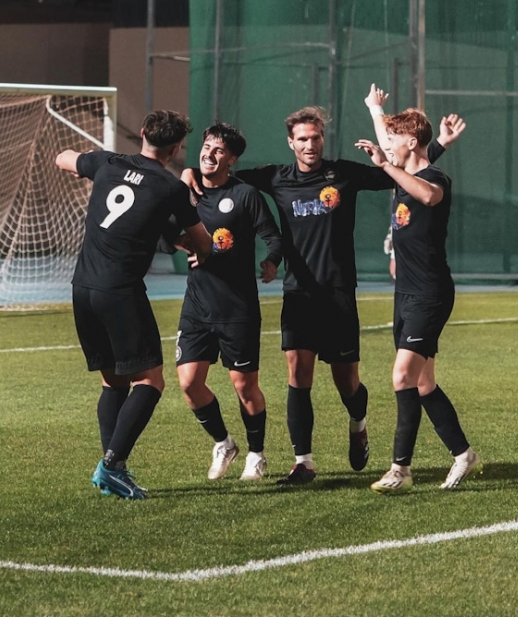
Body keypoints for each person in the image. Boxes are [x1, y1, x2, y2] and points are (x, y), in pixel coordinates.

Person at [224, 105, 465, 484]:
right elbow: (226, 177)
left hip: (338, 292)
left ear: (323, 139)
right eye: (302, 139)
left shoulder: (344, 174)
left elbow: (400, 170)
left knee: (346, 381)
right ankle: (304, 462)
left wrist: (439, 146)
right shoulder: (276, 178)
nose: (310, 145)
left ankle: (358, 422)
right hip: (298, 292)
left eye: (315, 137)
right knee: (297, 370)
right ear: (291, 142)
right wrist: (190, 175)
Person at [55, 110, 212, 500]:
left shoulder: (107, 162)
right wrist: (188, 242)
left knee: (113, 381)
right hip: (120, 292)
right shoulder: (171, 187)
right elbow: (204, 242)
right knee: (150, 380)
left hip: (82, 288)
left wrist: (82, 166)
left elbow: (63, 156)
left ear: (142, 134)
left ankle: (113, 467)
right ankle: (111, 466)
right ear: (177, 148)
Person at [357, 84, 481, 492]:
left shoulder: (432, 177)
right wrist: (375, 111)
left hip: (430, 293)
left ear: (411, 142)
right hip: (406, 294)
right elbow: (391, 151)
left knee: (401, 377)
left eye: (394, 140)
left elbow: (428, 194)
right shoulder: (404, 171)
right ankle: (463, 454)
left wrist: (386, 164)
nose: (386, 146)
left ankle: (400, 469)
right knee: (423, 382)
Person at [174, 123, 283, 482]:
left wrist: (271, 261)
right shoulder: (186, 192)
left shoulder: (246, 195)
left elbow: (272, 235)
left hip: (237, 307)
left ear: (231, 159)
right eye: (206, 146)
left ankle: (256, 454)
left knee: (243, 384)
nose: (208, 153)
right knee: (189, 383)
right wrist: (184, 245)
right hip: (197, 305)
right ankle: (224, 443)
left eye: (218, 150)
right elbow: (165, 231)